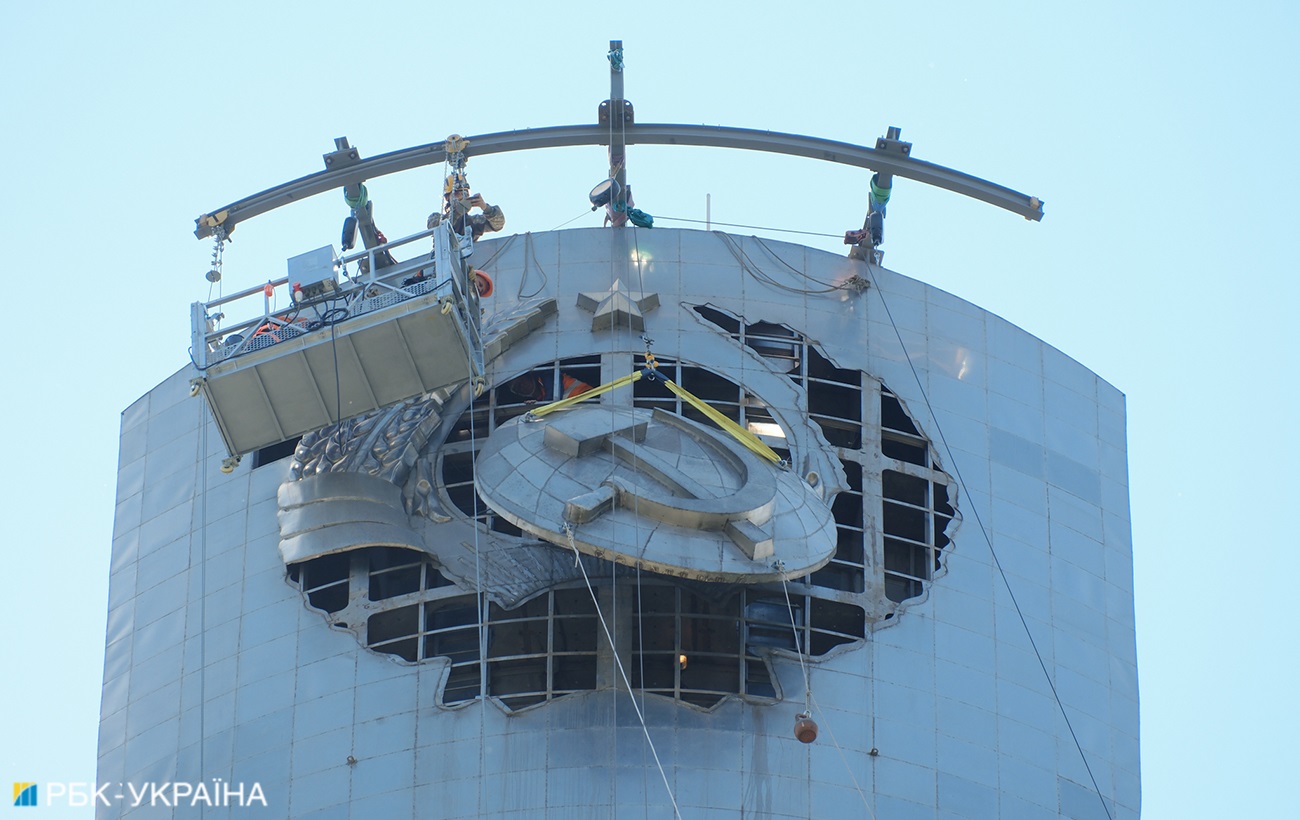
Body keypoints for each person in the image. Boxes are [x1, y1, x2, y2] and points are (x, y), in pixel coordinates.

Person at [428, 172, 505, 240]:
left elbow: (498, 224)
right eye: (457, 193)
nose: (461, 196)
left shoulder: (473, 221)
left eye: (465, 193)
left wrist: (486, 208)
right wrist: (458, 212)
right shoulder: (436, 218)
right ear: (447, 198)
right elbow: (436, 227)